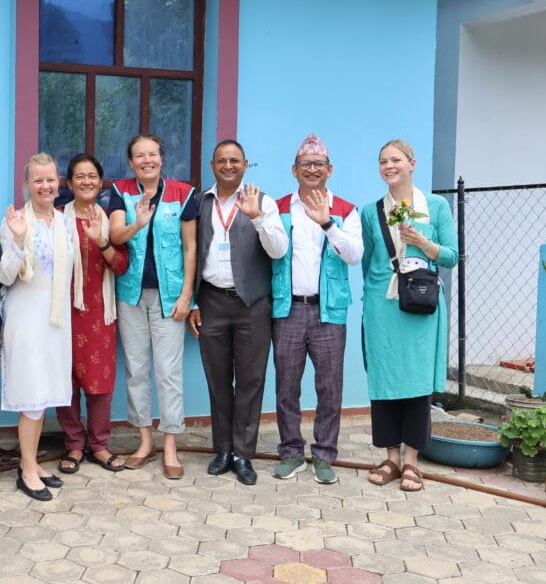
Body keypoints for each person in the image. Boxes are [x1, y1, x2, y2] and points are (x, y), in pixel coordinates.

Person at [188, 140, 287, 485]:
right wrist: (193, 302)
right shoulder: (199, 203)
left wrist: (257, 217)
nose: (228, 166)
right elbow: (189, 253)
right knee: (217, 379)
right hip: (211, 301)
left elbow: (278, 250)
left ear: (246, 164)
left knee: (250, 379)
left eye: (235, 161)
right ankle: (222, 450)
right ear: (212, 164)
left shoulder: (265, 202)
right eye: (222, 161)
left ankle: (243, 454)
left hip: (252, 303)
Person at [361, 139, 457, 492]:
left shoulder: (435, 206)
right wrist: (372, 297)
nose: (389, 166)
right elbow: (371, 260)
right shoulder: (371, 212)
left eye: (396, 160)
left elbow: (451, 256)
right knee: (385, 378)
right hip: (382, 304)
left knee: (415, 381)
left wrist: (422, 242)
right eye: (383, 161)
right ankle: (390, 457)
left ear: (412, 163)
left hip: (420, 302)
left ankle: (413, 461)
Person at [271, 134, 363, 484]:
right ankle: (291, 452)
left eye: (318, 164)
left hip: (329, 312)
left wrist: (327, 222)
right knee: (286, 386)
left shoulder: (345, 210)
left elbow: (354, 255)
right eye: (305, 164)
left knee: (330, 386)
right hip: (288, 309)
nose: (312, 170)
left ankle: (324, 454)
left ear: (330, 169)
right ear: (294, 170)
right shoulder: (278, 207)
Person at [109, 134, 198, 479]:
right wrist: (138, 222)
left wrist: (186, 295)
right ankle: (144, 440)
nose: (147, 160)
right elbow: (116, 237)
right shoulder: (120, 192)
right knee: (136, 368)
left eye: (153, 154)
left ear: (162, 158)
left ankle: (171, 445)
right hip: (130, 293)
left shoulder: (183, 193)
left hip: (170, 295)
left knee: (169, 372)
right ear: (131, 162)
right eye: (139, 156)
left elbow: (191, 247)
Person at [0, 153, 74, 500]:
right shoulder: (14, 220)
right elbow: (4, 275)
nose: (45, 186)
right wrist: (16, 240)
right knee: (31, 392)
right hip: (26, 318)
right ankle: (27, 467)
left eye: (51, 179)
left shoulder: (64, 221)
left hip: (56, 319)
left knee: (43, 393)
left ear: (59, 183)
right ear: (27, 185)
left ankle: (33, 460)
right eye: (38, 180)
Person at [56, 154, 129, 474]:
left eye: (92, 176)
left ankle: (99, 445)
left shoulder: (112, 218)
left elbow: (121, 264)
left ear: (101, 182)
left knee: (100, 381)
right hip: (61, 310)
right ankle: (73, 444)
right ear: (69, 184)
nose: (86, 182)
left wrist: (102, 241)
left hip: (100, 311)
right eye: (79, 177)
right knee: (65, 379)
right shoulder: (56, 218)